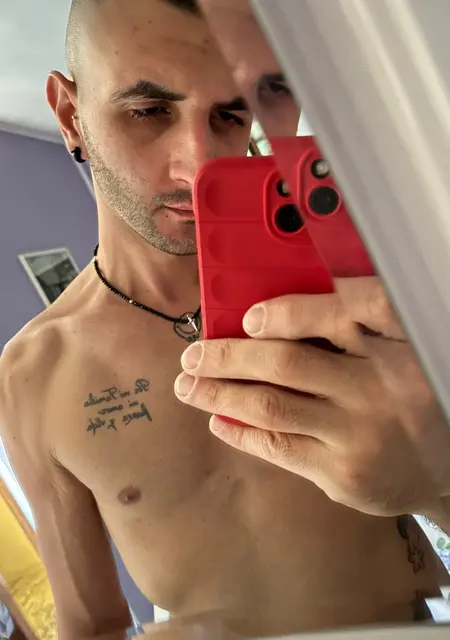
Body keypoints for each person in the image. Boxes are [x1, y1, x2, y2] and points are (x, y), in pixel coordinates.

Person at [0, 1, 448, 638]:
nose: (201, 163)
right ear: (72, 115)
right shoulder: (34, 375)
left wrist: (435, 478)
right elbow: (92, 625)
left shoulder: (355, 293)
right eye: (149, 111)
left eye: (231, 114)